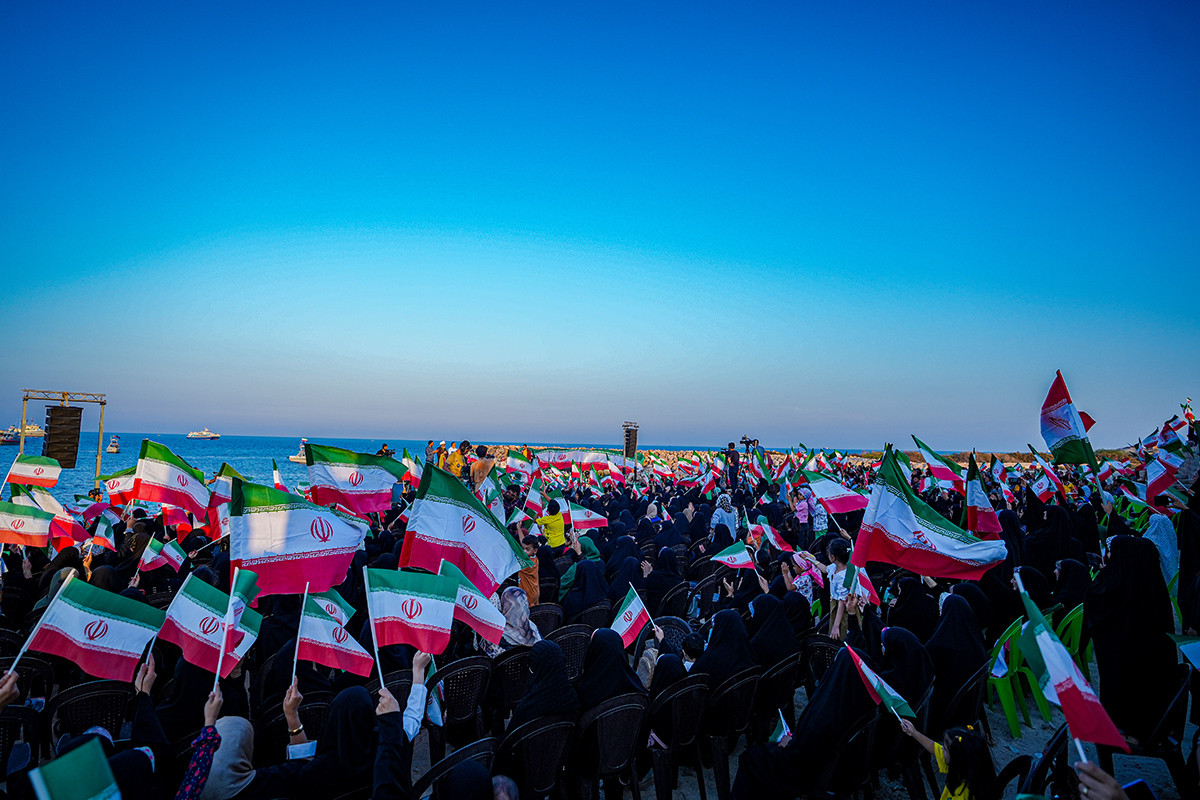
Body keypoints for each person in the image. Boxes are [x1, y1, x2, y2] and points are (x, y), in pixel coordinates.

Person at [899, 720, 997, 800]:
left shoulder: (961, 796)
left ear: (956, 760)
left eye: (945, 749)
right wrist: (914, 732)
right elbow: (934, 747)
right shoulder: (968, 771)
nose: (942, 749)